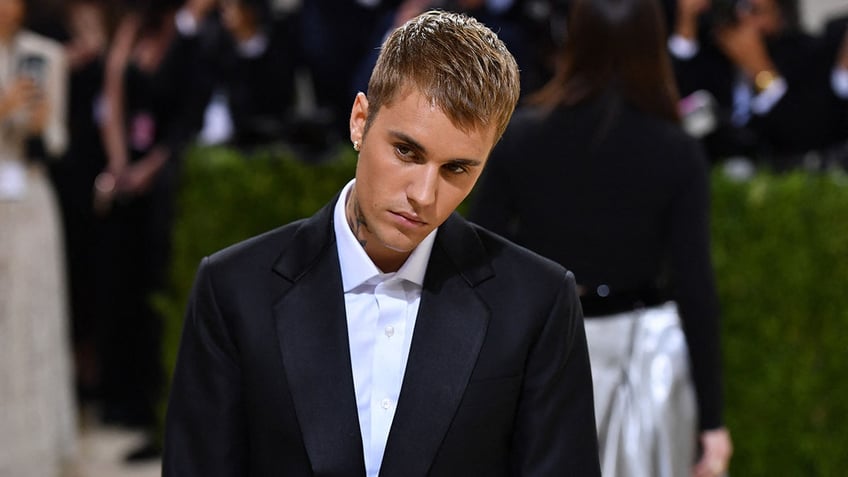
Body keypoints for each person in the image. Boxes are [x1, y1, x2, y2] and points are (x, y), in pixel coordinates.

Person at [164, 10, 601, 476]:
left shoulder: (537, 303)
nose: (424, 196)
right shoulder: (234, 291)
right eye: (407, 152)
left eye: (457, 169)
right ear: (359, 121)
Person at [468, 0, 732, 476]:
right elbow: (695, 287)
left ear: (574, 37)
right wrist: (712, 421)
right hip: (646, 359)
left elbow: (478, 269)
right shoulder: (677, 151)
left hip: (543, 356)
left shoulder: (518, 138)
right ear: (653, 43)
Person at [0, 0, 77, 474]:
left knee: (37, 319)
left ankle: (37, 450)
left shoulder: (47, 55)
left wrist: (42, 121)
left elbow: (60, 141)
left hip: (31, 195)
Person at [669, 0, 848, 167]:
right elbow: (675, 103)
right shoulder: (712, 55)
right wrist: (685, 30)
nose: (743, 19)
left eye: (754, 10)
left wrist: (761, 71)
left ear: (780, 15)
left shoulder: (806, 54)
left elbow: (805, 134)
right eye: (737, 8)